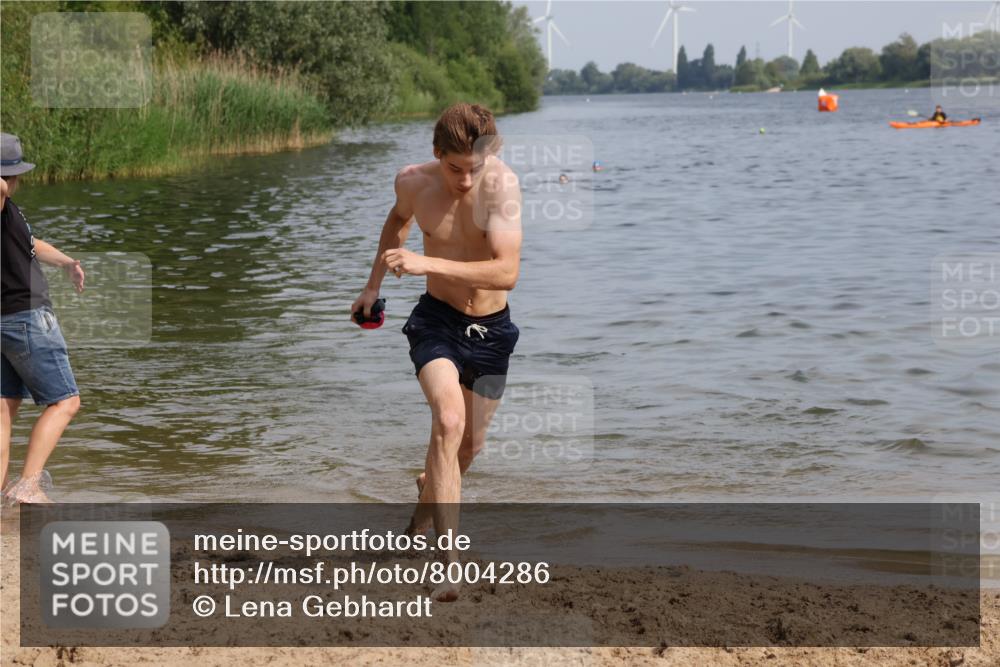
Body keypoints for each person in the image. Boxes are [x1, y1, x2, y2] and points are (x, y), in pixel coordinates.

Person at [351, 103, 521, 601]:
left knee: (469, 448)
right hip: (437, 322)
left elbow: (506, 271)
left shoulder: (502, 189)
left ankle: (425, 498)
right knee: (448, 422)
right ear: (435, 154)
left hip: (493, 330)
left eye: (476, 168)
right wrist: (372, 286)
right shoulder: (412, 183)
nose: (465, 181)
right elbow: (397, 223)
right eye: (454, 168)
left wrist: (425, 262)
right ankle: (448, 566)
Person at [1, 132, 84, 505]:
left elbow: (31, 245)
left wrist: (66, 262)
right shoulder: (2, 201)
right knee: (65, 402)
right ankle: (28, 487)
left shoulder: (9, 213)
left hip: (4, 321)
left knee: (4, 406)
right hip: (26, 318)